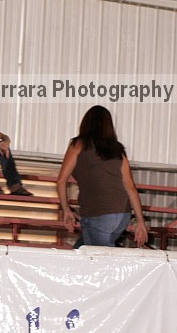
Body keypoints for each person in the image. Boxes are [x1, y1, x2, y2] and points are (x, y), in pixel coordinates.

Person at [56, 106, 147, 247]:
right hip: (121, 215)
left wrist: (66, 210)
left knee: (99, 255)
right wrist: (140, 222)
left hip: (97, 212)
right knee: (81, 249)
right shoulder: (117, 149)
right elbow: (130, 187)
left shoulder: (79, 144)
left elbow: (61, 180)